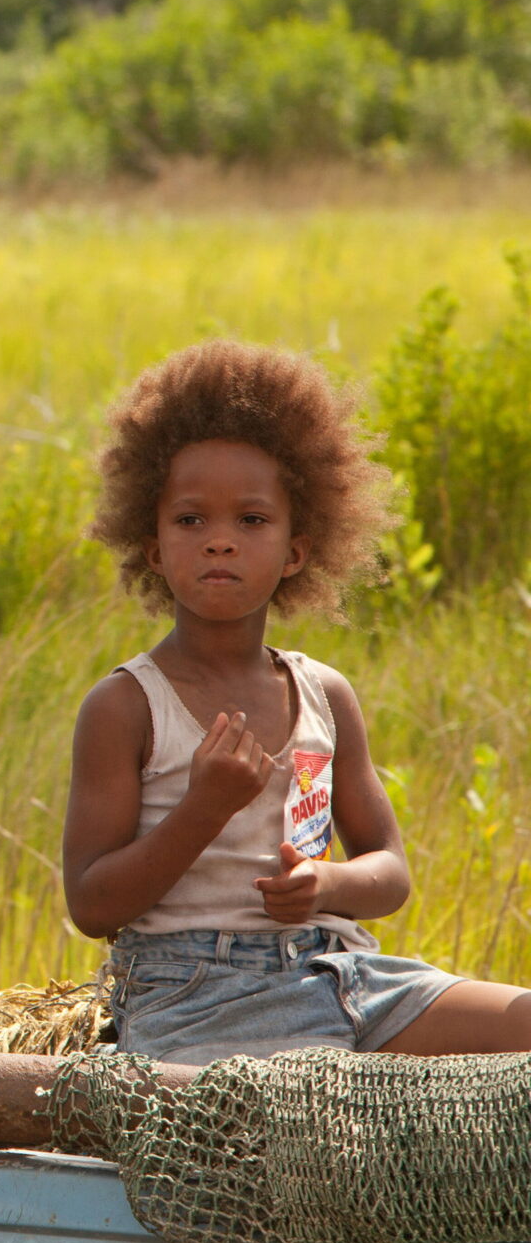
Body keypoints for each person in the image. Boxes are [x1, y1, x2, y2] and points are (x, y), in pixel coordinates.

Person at [62, 340, 531, 1065]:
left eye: (251, 520)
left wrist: (327, 883)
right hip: (194, 996)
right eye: (190, 520)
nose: (220, 542)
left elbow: (389, 871)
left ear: (296, 551)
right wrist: (203, 809)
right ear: (152, 547)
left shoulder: (324, 695)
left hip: (344, 975)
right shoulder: (125, 707)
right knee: (279, 1111)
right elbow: (92, 905)